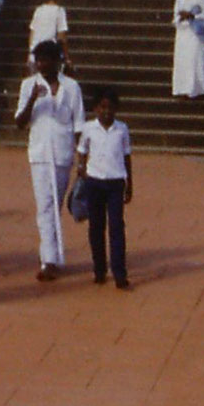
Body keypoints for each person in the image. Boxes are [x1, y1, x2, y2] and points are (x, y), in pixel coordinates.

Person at [15, 40, 84, 281]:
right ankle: (49, 259)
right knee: (44, 205)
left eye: (47, 60)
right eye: (39, 60)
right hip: (39, 154)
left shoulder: (72, 87)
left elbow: (78, 125)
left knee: (55, 204)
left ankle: (53, 255)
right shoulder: (28, 85)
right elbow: (20, 122)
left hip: (63, 153)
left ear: (58, 61)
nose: (42, 65)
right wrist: (33, 99)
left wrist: (82, 159)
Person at [74, 88, 134, 289]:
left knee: (116, 227)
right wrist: (81, 169)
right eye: (102, 107)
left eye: (110, 107)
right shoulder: (89, 128)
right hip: (94, 181)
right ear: (95, 108)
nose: (106, 112)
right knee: (96, 227)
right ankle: (99, 269)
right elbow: (82, 151)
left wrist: (129, 183)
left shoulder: (122, 129)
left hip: (115, 182)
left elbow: (126, 156)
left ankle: (119, 272)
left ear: (116, 109)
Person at [169, 0, 204, 100]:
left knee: (194, 60)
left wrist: (192, 15)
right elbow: (175, 16)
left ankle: (195, 90)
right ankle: (182, 89)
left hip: (194, 34)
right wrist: (180, 17)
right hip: (182, 34)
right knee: (182, 61)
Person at [28, 0, 74, 71]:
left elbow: (32, 33)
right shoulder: (59, 11)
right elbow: (62, 37)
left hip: (35, 54)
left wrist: (30, 53)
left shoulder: (39, 10)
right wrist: (66, 57)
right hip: (51, 54)